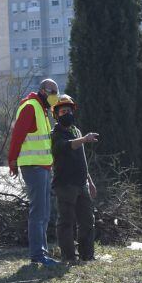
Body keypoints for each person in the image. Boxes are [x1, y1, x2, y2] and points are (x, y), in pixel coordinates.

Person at [8, 78, 60, 266]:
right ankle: (38, 255)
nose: (55, 96)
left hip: (44, 167)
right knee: (38, 212)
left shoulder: (42, 110)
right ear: (43, 91)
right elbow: (17, 136)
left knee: (44, 212)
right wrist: (12, 161)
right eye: (53, 92)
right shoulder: (31, 107)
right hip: (33, 167)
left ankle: (42, 253)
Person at [50, 94, 99, 262]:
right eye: (63, 111)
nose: (67, 113)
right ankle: (69, 257)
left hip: (82, 184)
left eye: (69, 110)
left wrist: (90, 182)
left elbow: (82, 160)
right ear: (56, 114)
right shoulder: (55, 133)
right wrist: (84, 139)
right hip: (64, 185)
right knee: (66, 222)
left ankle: (87, 256)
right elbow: (65, 146)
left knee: (87, 221)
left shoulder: (76, 131)